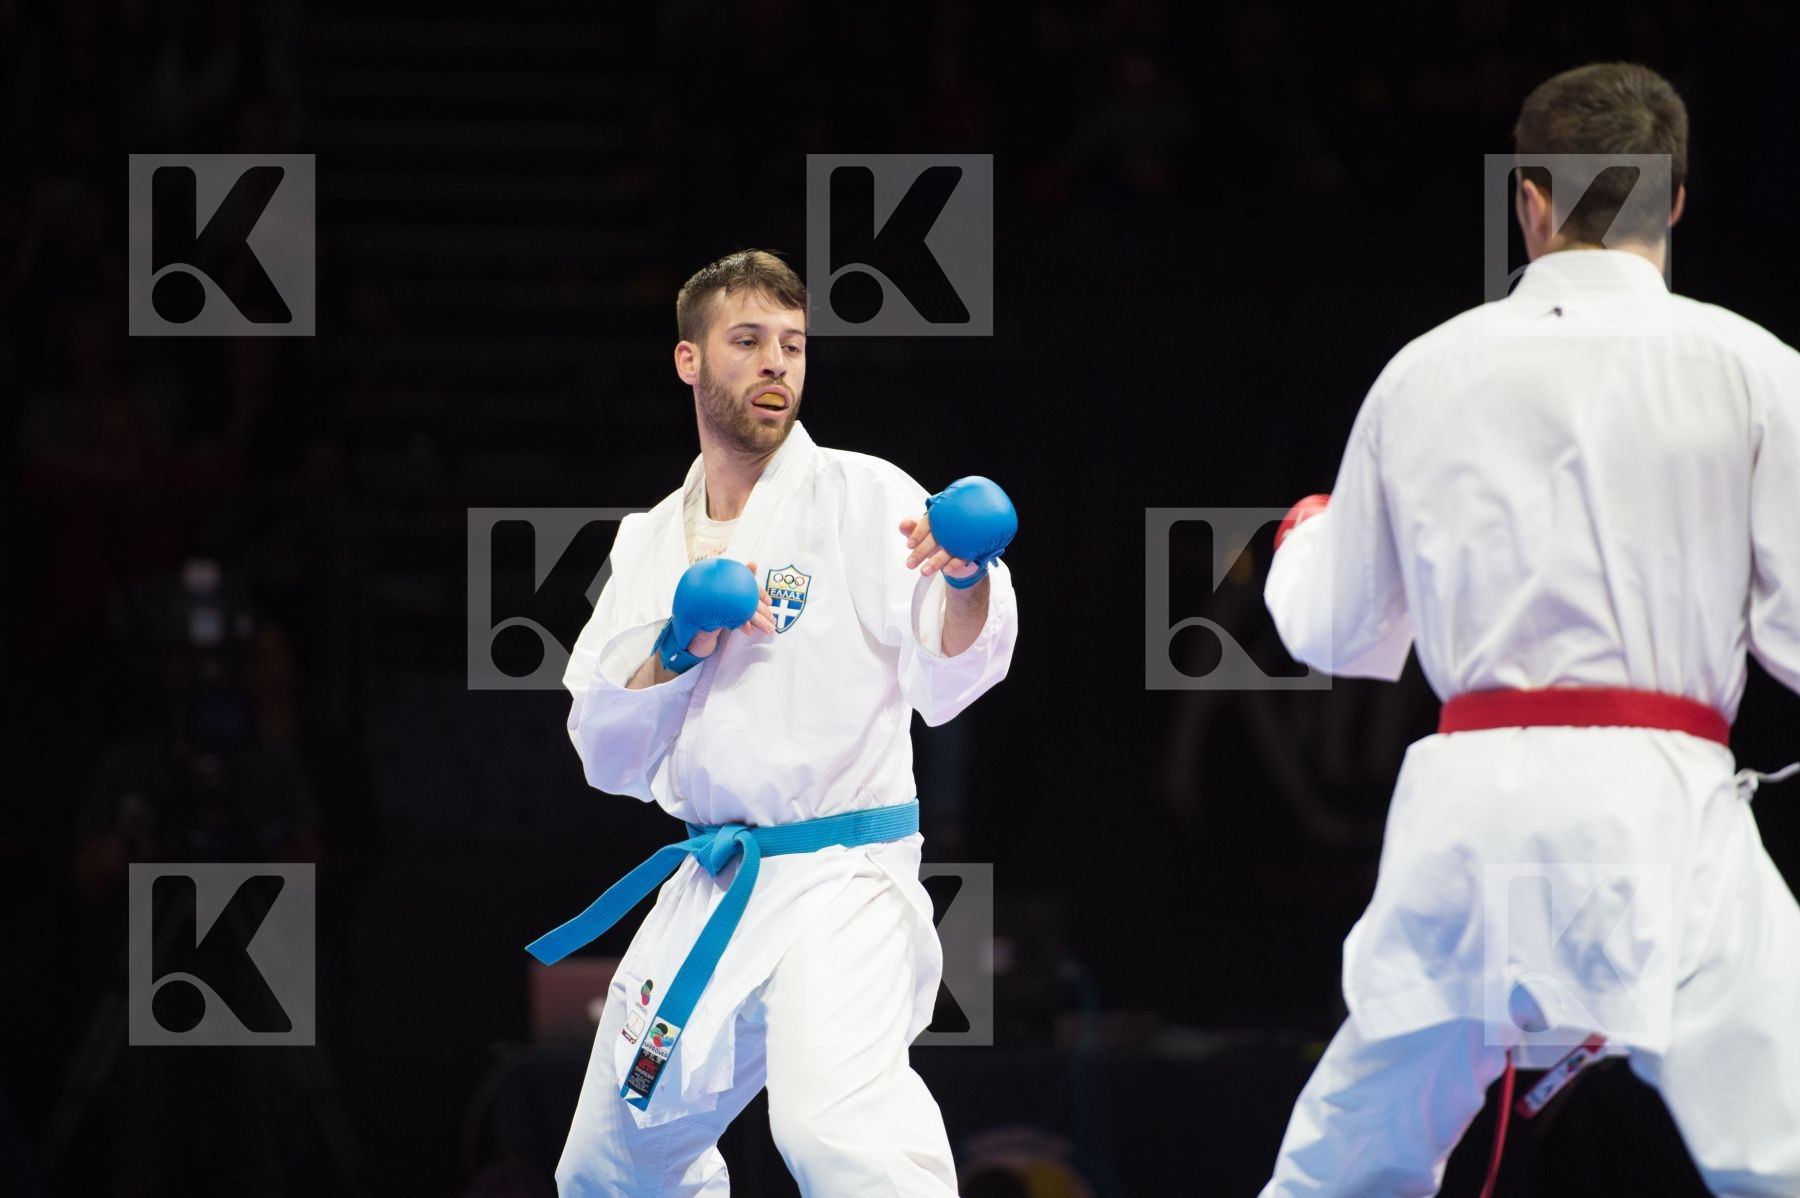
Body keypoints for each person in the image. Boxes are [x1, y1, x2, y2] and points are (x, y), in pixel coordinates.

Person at [1258, 63, 1800, 1197]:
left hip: (1467, 813)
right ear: (1679, 204)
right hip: (1660, 804)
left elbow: (1331, 625)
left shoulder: (1423, 371)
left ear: (1531, 202)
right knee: (1781, 1148)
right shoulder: (1755, 368)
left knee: (1347, 1165)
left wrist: (1300, 535)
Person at [535, 249, 1019, 1197]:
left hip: (842, 880)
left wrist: (964, 575)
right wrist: (677, 640)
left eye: (792, 346)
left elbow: (949, 668)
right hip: (713, 884)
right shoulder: (645, 542)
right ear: (689, 361)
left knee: (837, 1132)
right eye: (748, 341)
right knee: (606, 1167)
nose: (776, 365)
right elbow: (602, 744)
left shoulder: (865, 494)